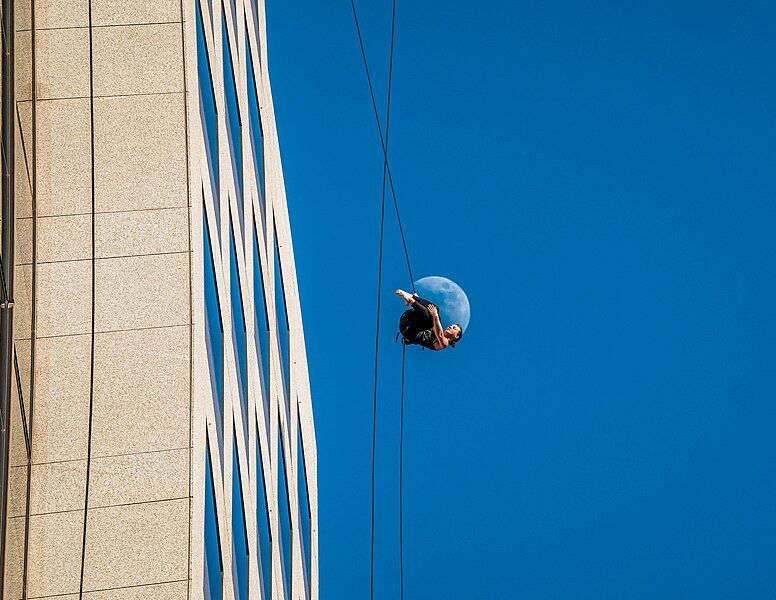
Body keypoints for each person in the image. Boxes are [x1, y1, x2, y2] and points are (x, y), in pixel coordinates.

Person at [395, 289, 463, 350]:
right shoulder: (436, 327)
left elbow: (439, 335)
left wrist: (435, 315)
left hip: (408, 330)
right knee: (436, 310)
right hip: (408, 317)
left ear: (456, 336)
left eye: (454, 328)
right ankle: (412, 298)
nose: (450, 327)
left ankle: (411, 301)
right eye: (451, 326)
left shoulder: (444, 344)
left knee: (433, 318)